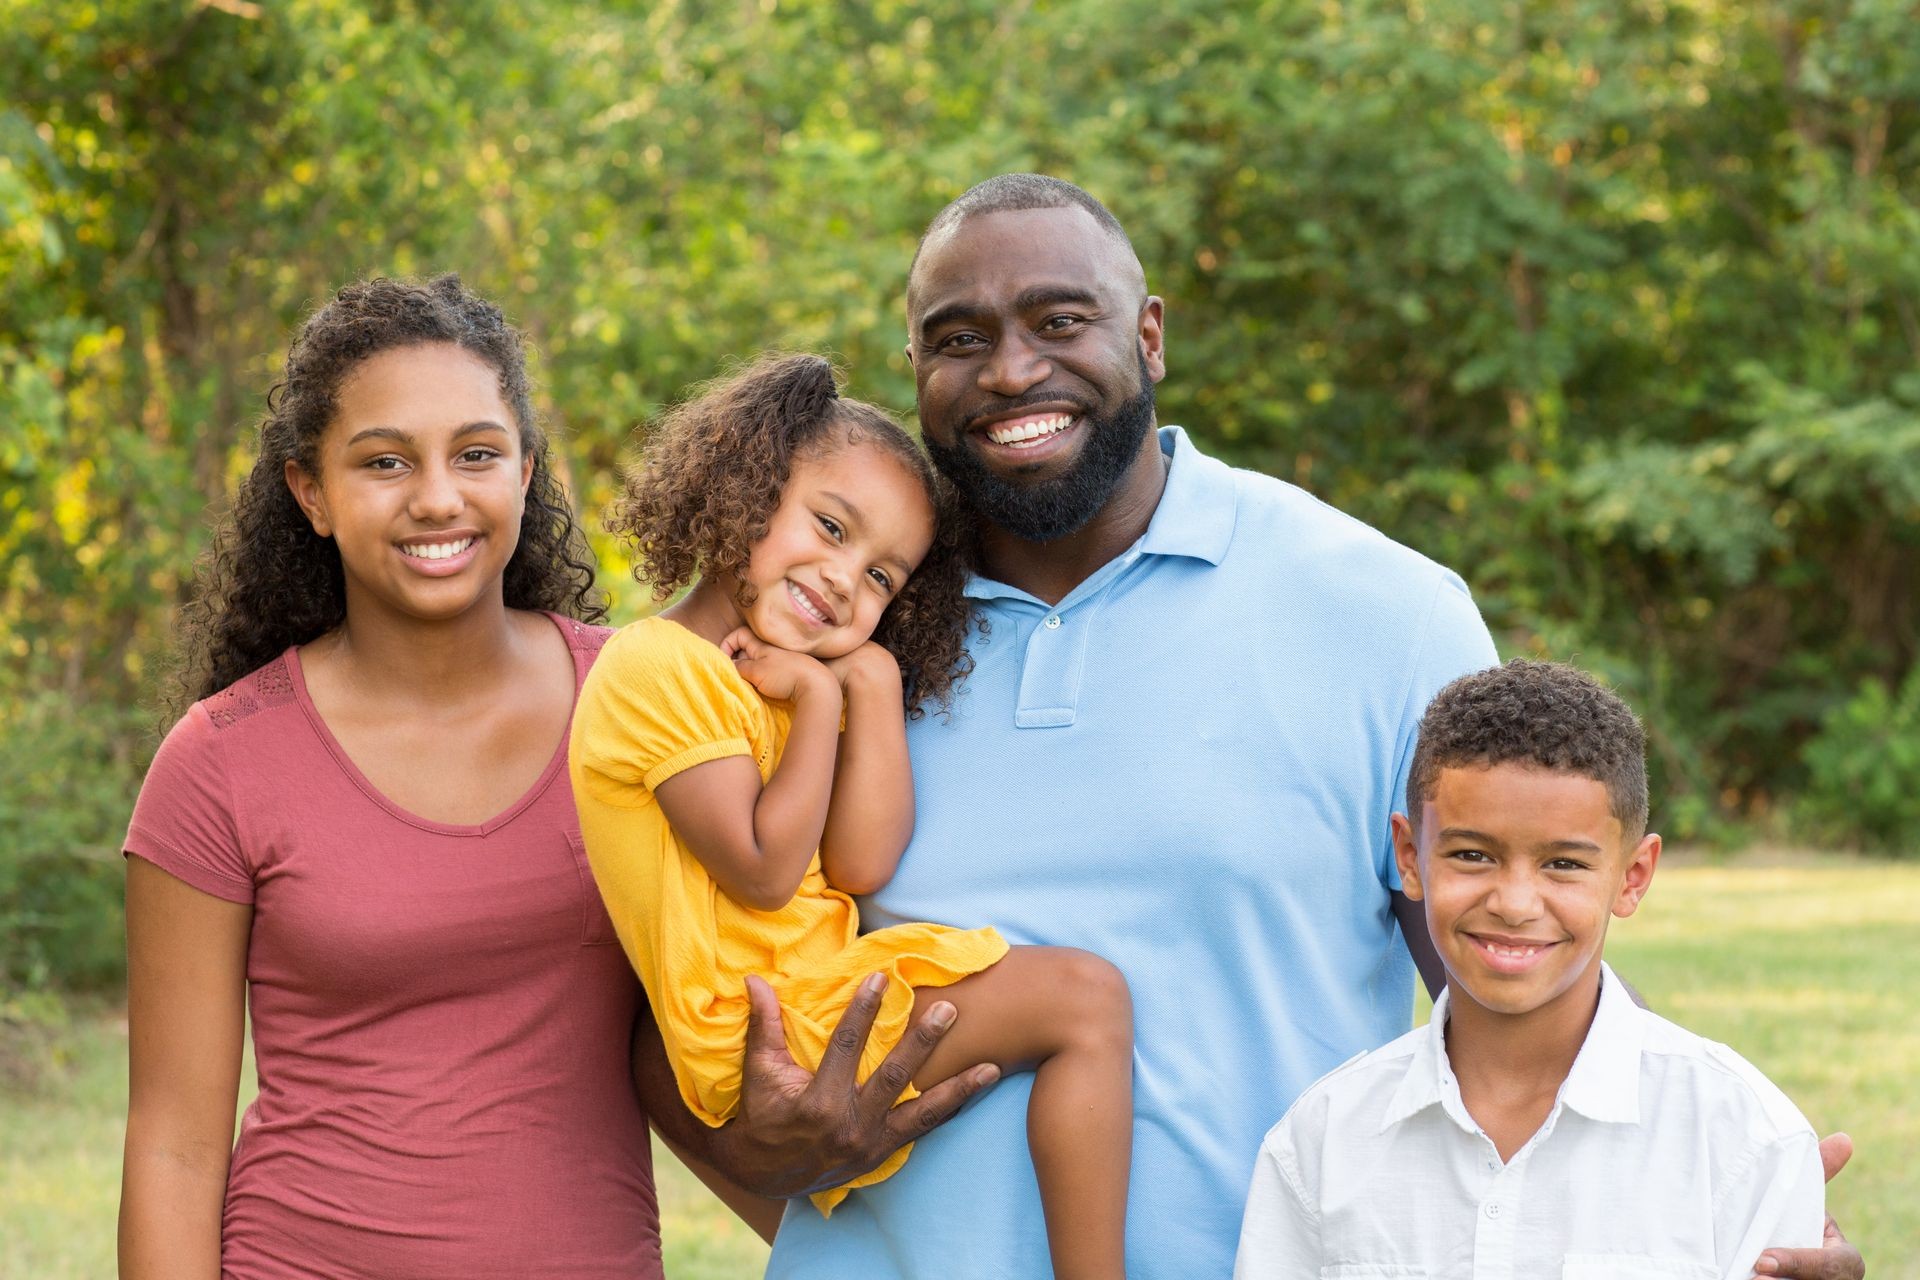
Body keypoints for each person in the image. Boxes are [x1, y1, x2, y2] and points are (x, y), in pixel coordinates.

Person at [669, 174, 1861, 1280]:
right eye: (959, 338)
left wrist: (1727, 1172)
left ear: (1149, 337)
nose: (1009, 370)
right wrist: (786, 1174)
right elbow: (649, 991)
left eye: (1059, 320)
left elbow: (1519, 950)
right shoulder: (819, 636)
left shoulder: (1384, 609)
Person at [119, 275, 656, 1276]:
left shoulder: (637, 704)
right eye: (384, 461)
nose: (439, 496)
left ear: (528, 473)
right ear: (310, 493)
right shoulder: (218, 761)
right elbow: (172, 1143)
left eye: (478, 453)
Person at [569, 353, 1134, 1279]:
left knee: (1080, 1007)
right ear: (743, 492)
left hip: (815, 992)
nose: (842, 580)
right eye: (828, 528)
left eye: (882, 578)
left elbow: (863, 863)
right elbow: (762, 868)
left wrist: (866, 686)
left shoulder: (796, 678)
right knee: (1086, 1001)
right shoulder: (655, 668)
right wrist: (823, 709)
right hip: (753, 1031)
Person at [1234, 659, 1825, 1277]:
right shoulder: (1323, 1141)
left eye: (1564, 864)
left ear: (1633, 876)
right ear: (1409, 857)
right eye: (1471, 854)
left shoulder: (1742, 1140)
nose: (1514, 904)